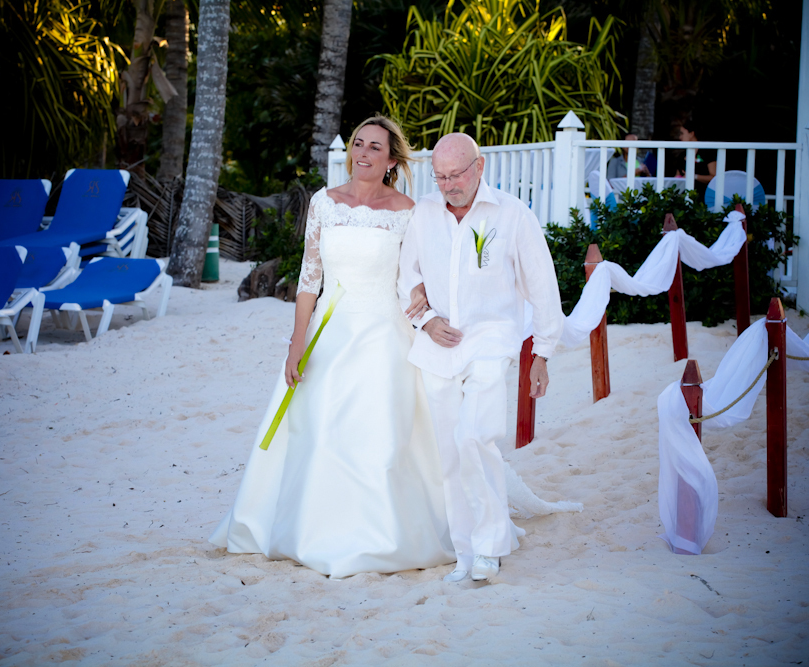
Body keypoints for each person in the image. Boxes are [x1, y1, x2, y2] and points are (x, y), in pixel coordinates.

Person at [210, 115, 456, 578]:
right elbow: (310, 279)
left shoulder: (408, 210)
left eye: (375, 147)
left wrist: (425, 298)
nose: (363, 153)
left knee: (381, 435)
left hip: (385, 335)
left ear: (391, 160)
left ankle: (383, 536)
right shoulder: (324, 201)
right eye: (358, 144)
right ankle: (311, 529)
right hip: (331, 331)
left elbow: (419, 273)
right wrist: (296, 344)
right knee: (318, 429)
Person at [398, 133, 565, 583]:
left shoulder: (512, 214)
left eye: (456, 175)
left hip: (491, 341)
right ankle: (466, 552)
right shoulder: (424, 213)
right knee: (450, 452)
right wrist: (426, 320)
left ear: (480, 166)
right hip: (436, 348)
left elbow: (542, 286)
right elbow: (406, 277)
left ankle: (490, 546)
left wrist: (542, 353)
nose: (448, 185)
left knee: (475, 437)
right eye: (440, 177)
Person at [675, 118, 717, 198]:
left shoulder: (707, 152)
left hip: (704, 196)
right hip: (683, 197)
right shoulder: (681, 155)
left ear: (691, 133)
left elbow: (715, 177)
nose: (680, 137)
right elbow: (677, 176)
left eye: (682, 133)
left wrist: (694, 176)